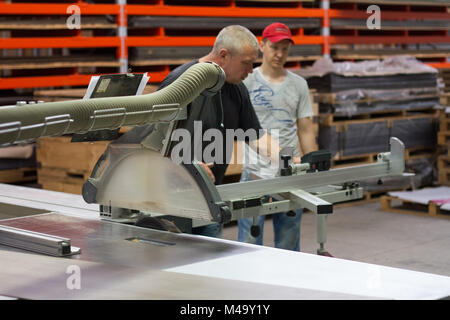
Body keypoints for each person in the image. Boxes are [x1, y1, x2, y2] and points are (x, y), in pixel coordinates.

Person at [157, 25, 282, 238]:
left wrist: (289, 161)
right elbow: (152, 144)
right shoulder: (180, 84)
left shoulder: (236, 88)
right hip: (170, 205)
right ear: (223, 55)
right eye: (246, 63)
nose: (251, 70)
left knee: (209, 267)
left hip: (211, 201)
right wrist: (187, 165)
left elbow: (255, 136)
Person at [238, 22, 317, 251]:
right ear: (262, 46)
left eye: (285, 48)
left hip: (289, 169)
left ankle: (287, 283)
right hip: (255, 168)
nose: (280, 54)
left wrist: (310, 165)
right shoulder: (247, 82)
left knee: (289, 237)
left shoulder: (298, 84)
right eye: (274, 47)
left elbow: (305, 127)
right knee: (250, 239)